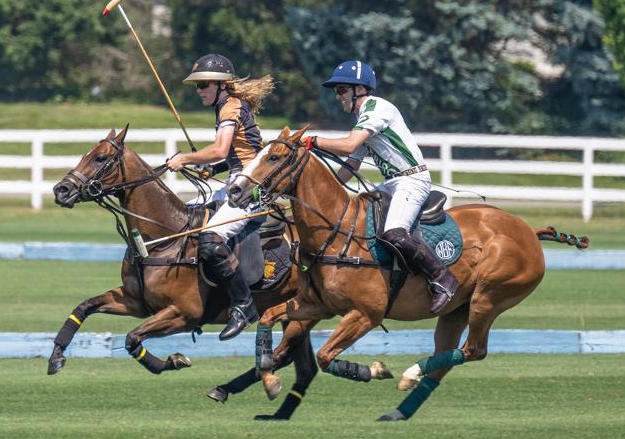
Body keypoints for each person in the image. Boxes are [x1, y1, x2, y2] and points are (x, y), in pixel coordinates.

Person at [302, 60, 458, 313]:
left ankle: (443, 278)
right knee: (357, 219)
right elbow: (351, 165)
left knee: (393, 233)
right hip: (392, 182)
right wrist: (324, 193)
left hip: (411, 180)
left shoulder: (378, 109)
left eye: (341, 90)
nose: (338, 96)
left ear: (359, 89)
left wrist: (312, 141)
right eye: (336, 91)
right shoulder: (363, 117)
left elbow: (350, 145)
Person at [166, 53, 274, 339]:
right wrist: (212, 169)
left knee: (211, 239)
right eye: (197, 86)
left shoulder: (230, 108)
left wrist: (185, 159)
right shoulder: (227, 106)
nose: (198, 91)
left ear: (220, 85)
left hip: (252, 189)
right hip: (237, 181)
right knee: (184, 220)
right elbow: (236, 154)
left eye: (203, 86)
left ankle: (242, 305)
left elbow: (220, 149)